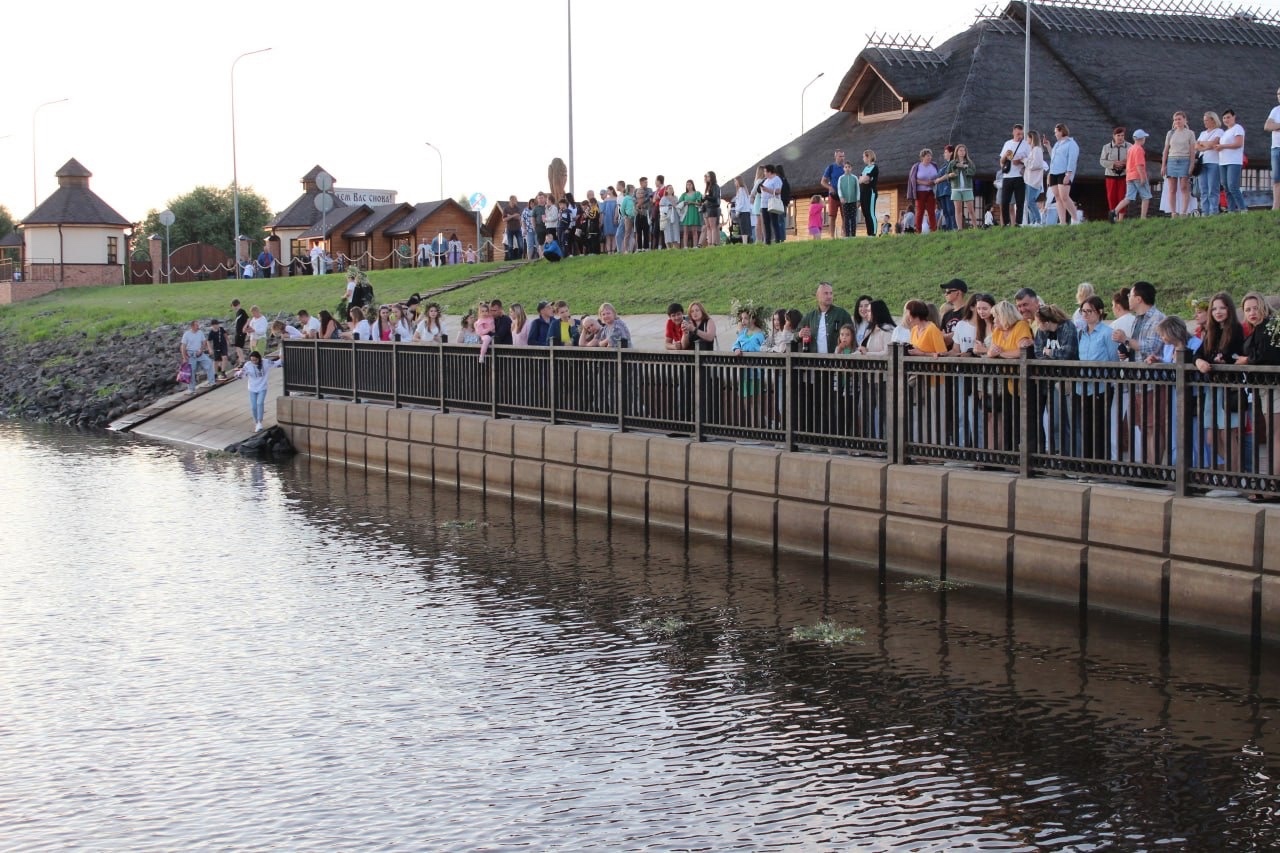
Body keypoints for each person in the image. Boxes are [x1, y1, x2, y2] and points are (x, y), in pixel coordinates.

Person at [1194, 292, 1248, 471]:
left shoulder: (1236, 329)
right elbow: (1199, 354)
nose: (1218, 312)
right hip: (1212, 389)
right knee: (1212, 437)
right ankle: (1235, 471)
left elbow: (1232, 354)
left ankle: (1235, 475)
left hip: (1229, 388)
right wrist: (1200, 361)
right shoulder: (1211, 331)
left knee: (1227, 434)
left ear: (1229, 309)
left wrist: (1221, 360)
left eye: (1222, 308)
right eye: (1214, 308)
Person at [1076, 295, 1117, 460]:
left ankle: (1100, 463)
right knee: (1085, 427)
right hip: (1083, 387)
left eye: (1089, 311)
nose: (1085, 314)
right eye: (1083, 311)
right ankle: (1087, 461)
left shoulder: (1107, 333)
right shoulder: (1081, 333)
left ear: (1099, 312)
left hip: (1101, 387)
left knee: (1099, 427)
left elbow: (1114, 359)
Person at [799, 282, 854, 354]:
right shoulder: (810, 316)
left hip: (836, 361)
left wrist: (845, 352)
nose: (829, 296)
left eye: (831, 293)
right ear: (817, 296)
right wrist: (799, 334)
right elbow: (794, 334)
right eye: (826, 293)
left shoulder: (841, 313)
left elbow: (853, 336)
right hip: (814, 361)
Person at [1162, 111, 1198, 217]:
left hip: (1184, 160)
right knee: (1172, 188)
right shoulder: (1170, 133)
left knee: (1183, 187)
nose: (1177, 121)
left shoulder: (1190, 133)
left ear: (1185, 120)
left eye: (1179, 119)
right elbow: (1166, 150)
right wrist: (1164, 165)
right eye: (1175, 119)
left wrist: (1191, 164)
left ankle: (1183, 212)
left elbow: (1192, 150)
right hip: (1172, 160)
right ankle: (1173, 212)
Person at [236, 349, 282, 433]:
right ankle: (256, 422)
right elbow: (242, 374)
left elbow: (276, 364)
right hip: (252, 388)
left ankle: (260, 422)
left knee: (260, 403)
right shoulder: (248, 365)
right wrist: (239, 374)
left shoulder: (265, 362)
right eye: (252, 360)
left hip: (262, 387)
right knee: (253, 406)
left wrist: (282, 359)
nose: (254, 362)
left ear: (259, 358)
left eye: (255, 360)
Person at [1111, 129, 1151, 221]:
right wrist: (1142, 177)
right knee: (1146, 196)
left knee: (1128, 197)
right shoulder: (1139, 149)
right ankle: (1143, 217)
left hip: (1129, 176)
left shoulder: (1131, 149)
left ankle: (1115, 211)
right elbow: (1139, 164)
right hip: (1137, 175)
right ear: (1142, 139)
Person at [1216, 108, 1247, 212]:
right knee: (1226, 187)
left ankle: (1243, 208)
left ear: (1234, 117)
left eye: (1228, 117)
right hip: (1223, 161)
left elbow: (1238, 144)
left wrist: (1223, 146)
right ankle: (1231, 210)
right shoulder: (1225, 132)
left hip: (1233, 161)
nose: (1226, 119)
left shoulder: (1238, 128)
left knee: (1233, 186)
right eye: (1224, 118)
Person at [1048, 124, 1080, 225]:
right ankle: (1062, 221)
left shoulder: (1071, 144)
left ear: (1061, 131)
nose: (1055, 134)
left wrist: (1068, 174)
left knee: (1064, 197)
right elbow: (1053, 157)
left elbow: (1072, 160)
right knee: (1057, 197)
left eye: (1056, 132)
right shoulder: (1057, 144)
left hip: (1064, 172)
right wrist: (1048, 146)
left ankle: (1075, 219)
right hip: (1054, 172)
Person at [998, 124, 1029, 226]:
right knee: (1005, 201)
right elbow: (1001, 162)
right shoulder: (1007, 143)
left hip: (1020, 176)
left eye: (1021, 134)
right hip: (1008, 176)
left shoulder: (1026, 145)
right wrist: (1006, 156)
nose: (1020, 136)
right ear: (1013, 132)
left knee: (1020, 201)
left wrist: (1020, 162)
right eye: (1018, 134)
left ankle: (1018, 223)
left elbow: (1030, 161)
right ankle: (1006, 223)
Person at [1195, 112, 1224, 216]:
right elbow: (1196, 146)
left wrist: (1204, 144)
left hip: (1214, 162)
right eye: (1204, 120)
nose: (1205, 122)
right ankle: (1205, 211)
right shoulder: (1203, 133)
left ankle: (1213, 211)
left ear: (1213, 120)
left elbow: (1214, 143)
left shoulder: (1219, 131)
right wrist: (1207, 146)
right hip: (1203, 162)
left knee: (1213, 188)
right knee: (1203, 189)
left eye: (1206, 120)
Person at [180, 319, 218, 392]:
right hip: (190, 354)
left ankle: (212, 382)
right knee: (191, 371)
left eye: (198, 325)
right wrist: (184, 357)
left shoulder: (200, 332)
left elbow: (204, 342)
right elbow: (183, 346)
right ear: (192, 326)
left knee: (209, 363)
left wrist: (201, 350)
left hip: (199, 353)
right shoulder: (187, 334)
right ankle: (191, 389)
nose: (198, 326)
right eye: (196, 325)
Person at [1099, 127, 1130, 216]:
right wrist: (1113, 164)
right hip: (1111, 175)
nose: (1120, 137)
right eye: (1118, 135)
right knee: (1111, 197)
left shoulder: (1129, 146)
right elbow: (1102, 161)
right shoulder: (1106, 147)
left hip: (1124, 175)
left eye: (1122, 135)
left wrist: (1125, 163)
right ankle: (1113, 216)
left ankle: (1121, 218)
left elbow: (1133, 160)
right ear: (1114, 136)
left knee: (1122, 196)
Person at [907, 148, 939, 233]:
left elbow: (937, 177)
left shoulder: (934, 165)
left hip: (931, 192)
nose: (929, 157)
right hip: (920, 192)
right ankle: (918, 230)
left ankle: (934, 230)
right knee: (920, 212)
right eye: (927, 156)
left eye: (930, 156)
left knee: (931, 211)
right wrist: (924, 183)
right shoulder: (917, 166)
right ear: (922, 157)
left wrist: (933, 182)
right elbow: (913, 179)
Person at [819, 149, 847, 239]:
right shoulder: (830, 167)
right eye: (840, 156)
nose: (842, 158)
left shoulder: (845, 168)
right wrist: (830, 187)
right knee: (832, 217)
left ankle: (844, 235)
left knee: (845, 216)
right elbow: (823, 182)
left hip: (843, 196)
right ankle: (832, 237)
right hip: (833, 196)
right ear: (835, 157)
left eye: (843, 156)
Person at [1022, 131, 1046, 226]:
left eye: (1028, 138)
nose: (1026, 140)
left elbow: (1036, 164)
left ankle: (1038, 220)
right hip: (1029, 180)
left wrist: (1024, 160)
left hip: (1033, 181)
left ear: (1032, 138)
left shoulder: (1037, 150)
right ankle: (1033, 221)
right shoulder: (1033, 150)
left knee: (1030, 201)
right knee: (1028, 203)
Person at [760, 165, 785, 245]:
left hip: (772, 203)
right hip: (764, 204)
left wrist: (767, 190)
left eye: (765, 171)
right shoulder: (766, 180)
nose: (764, 173)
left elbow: (778, 192)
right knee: (766, 223)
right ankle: (768, 241)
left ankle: (778, 240)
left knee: (774, 222)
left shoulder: (776, 179)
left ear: (769, 172)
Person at [939, 278, 968, 347]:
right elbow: (941, 339)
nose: (945, 294)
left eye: (948, 292)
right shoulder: (947, 315)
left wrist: (949, 336)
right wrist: (956, 334)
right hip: (948, 354)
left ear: (958, 292)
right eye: (945, 292)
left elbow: (967, 333)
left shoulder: (968, 312)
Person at [857, 150, 879, 237]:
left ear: (868, 157)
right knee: (865, 213)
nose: (863, 159)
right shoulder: (865, 168)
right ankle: (869, 232)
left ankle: (873, 232)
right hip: (863, 192)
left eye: (863, 157)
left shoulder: (875, 167)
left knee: (870, 212)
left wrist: (864, 179)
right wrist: (864, 179)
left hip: (870, 192)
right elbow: (860, 180)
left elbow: (866, 179)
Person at [935, 145, 956, 231]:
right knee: (945, 212)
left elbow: (949, 174)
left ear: (951, 153)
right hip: (941, 191)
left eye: (946, 152)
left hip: (948, 190)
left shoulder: (953, 163)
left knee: (951, 210)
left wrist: (939, 179)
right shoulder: (944, 164)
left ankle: (954, 227)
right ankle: (948, 228)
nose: (944, 154)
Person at [679, 179, 703, 249]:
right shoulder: (684, 194)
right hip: (686, 213)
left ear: (693, 185)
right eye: (687, 185)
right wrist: (684, 203)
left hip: (694, 212)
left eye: (690, 184)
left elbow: (700, 203)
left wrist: (692, 202)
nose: (688, 186)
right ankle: (685, 246)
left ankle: (695, 246)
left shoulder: (697, 193)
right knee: (685, 231)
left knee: (694, 231)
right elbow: (679, 203)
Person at [1267, 86, 1280, 210]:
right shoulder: (1275, 110)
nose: (1279, 96)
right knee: (1276, 178)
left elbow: (1272, 126)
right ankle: (1276, 207)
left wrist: (1275, 126)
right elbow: (1267, 126)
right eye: (1278, 94)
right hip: (1276, 148)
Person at [702, 171, 721, 247]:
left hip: (712, 208)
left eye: (708, 176)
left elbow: (715, 198)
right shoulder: (708, 186)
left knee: (713, 226)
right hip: (707, 208)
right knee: (708, 226)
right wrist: (702, 199)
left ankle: (713, 243)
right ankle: (710, 243)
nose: (706, 178)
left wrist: (706, 197)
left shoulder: (715, 186)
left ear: (712, 177)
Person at [231, 299, 249, 366]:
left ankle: (242, 361)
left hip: (240, 332)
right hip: (238, 332)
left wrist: (244, 327)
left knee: (238, 346)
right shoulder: (238, 312)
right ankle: (241, 360)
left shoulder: (241, 311)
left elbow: (248, 319)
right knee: (237, 346)